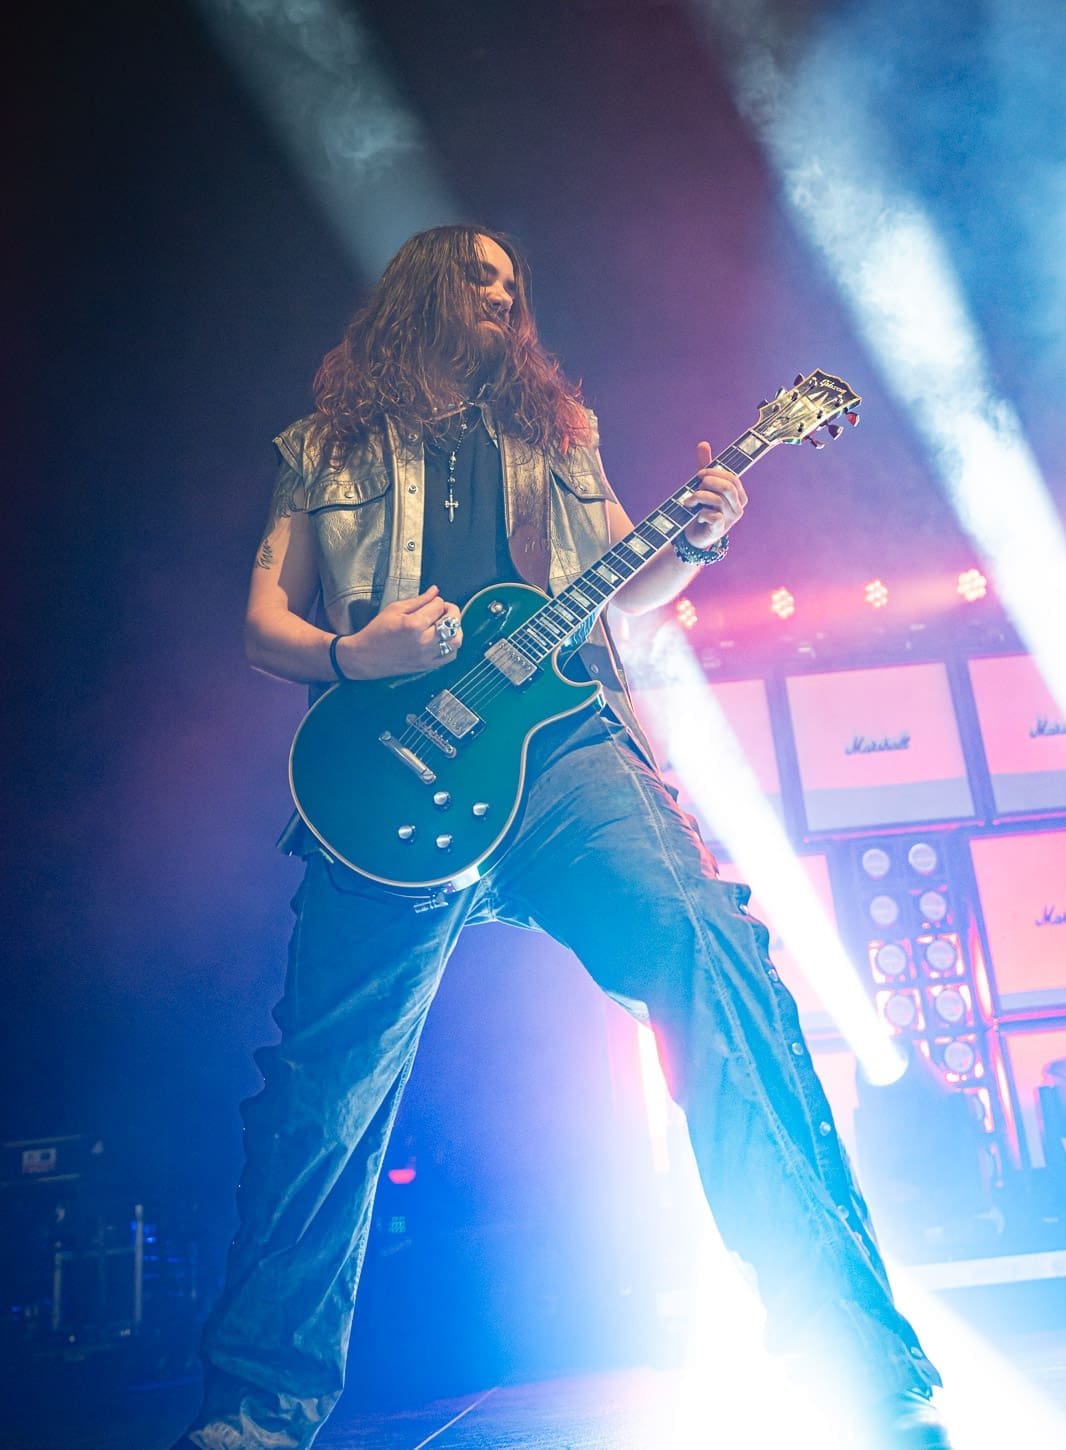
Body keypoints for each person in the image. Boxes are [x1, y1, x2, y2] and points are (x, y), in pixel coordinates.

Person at [172, 226, 950, 1449]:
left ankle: (848, 1342)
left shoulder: (558, 438)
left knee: (709, 947)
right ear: (419, 291)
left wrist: (692, 538)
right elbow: (264, 621)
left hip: (559, 755)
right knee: (323, 1091)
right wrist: (349, 652)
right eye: (476, 278)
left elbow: (618, 596)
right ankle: (258, 1409)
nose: (499, 296)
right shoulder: (320, 447)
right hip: (385, 780)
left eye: (512, 285)